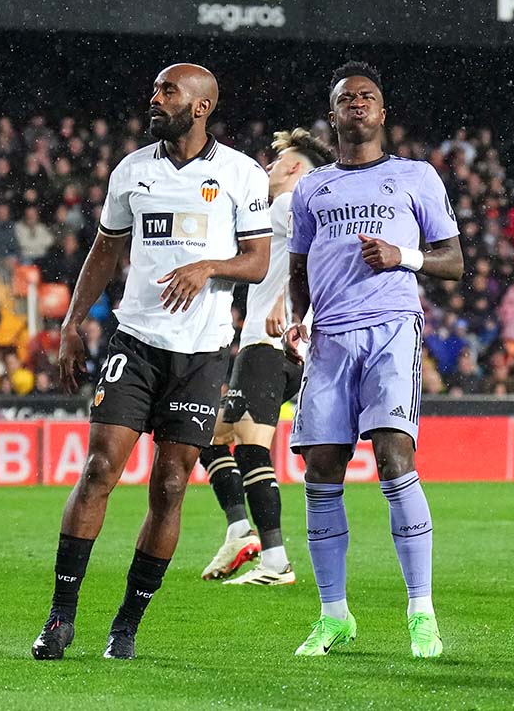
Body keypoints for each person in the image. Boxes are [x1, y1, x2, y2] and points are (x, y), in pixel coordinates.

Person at [31, 63, 271, 662]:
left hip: (203, 354)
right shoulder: (132, 171)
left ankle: (127, 625)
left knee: (169, 486)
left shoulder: (242, 175)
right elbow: (106, 248)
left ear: (201, 107)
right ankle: (60, 618)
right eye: (156, 89)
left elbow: (259, 261)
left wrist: (207, 267)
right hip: (134, 344)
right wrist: (70, 324)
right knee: (98, 472)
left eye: (169, 91)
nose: (155, 98)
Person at [282, 62, 463, 658]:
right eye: (345, 99)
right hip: (329, 339)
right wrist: (298, 320)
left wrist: (401, 255)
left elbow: (453, 261)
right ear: (332, 116)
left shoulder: (416, 177)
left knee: (393, 457)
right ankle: (334, 616)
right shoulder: (314, 188)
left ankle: (421, 613)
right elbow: (300, 267)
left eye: (367, 97)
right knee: (322, 472)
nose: (356, 104)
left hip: (391, 330)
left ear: (382, 113)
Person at [198, 127, 334, 586]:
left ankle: (275, 561)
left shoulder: (289, 205)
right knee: (210, 434)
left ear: (295, 168)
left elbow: (316, 258)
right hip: (271, 343)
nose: (268, 169)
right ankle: (240, 532)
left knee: (252, 446)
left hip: (271, 342)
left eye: (276, 163)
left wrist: (286, 305)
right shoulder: (289, 208)